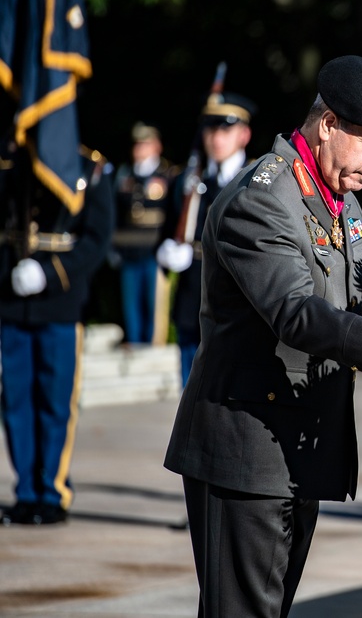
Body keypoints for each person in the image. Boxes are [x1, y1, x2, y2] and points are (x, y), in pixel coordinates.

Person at [162, 55, 362, 618]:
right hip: (246, 451)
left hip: (294, 446)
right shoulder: (261, 199)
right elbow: (295, 312)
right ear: (328, 125)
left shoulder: (335, 195)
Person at [0, 143, 114, 526]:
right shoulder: (10, 162)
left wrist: (49, 274)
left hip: (61, 303)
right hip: (11, 299)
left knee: (54, 403)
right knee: (16, 402)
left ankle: (51, 491)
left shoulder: (87, 166)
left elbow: (96, 239)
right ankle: (26, 491)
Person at [156, 91, 256, 388]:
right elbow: (167, 229)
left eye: (225, 129)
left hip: (236, 304)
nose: (216, 138)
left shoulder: (255, 180)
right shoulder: (187, 180)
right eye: (210, 129)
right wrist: (166, 251)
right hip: (191, 299)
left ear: (244, 134)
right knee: (190, 396)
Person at [111, 122, 178, 345]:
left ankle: (152, 345)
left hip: (154, 250)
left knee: (154, 304)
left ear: (156, 146)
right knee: (130, 304)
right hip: (128, 250)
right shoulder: (124, 175)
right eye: (137, 144)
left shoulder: (168, 174)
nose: (140, 149)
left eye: (145, 144)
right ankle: (134, 342)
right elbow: (116, 214)